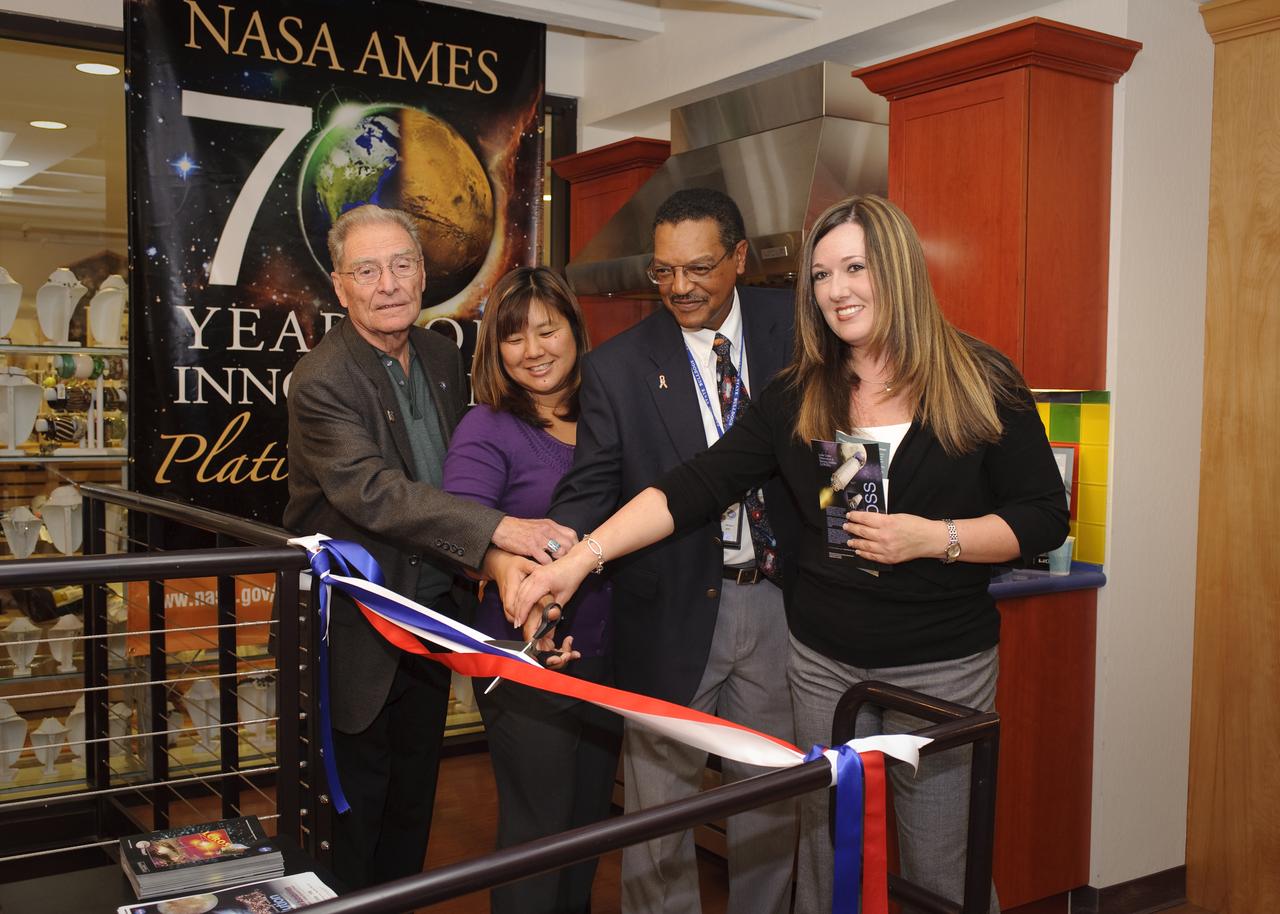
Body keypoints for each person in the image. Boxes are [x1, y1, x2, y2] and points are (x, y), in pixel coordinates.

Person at [512, 194, 1069, 914]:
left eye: (856, 268)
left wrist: (937, 538)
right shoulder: (803, 391)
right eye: (822, 275)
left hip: (941, 668)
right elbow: (692, 487)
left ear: (898, 268)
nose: (837, 291)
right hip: (823, 666)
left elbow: (1042, 516)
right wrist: (575, 560)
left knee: (940, 868)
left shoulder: (981, 380)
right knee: (827, 860)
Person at [283, 204, 576, 891]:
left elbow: (469, 468)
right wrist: (499, 531)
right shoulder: (321, 379)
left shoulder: (445, 356)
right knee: (347, 820)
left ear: (423, 274)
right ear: (340, 285)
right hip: (350, 639)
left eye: (402, 264)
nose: (388, 283)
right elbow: (374, 492)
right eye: (367, 269)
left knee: (413, 807)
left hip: (429, 627)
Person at [545, 188, 801, 914]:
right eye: (663, 272)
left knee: (774, 802)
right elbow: (589, 488)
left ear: (741, 259)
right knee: (658, 822)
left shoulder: (800, 333)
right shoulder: (621, 366)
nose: (681, 288)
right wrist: (552, 554)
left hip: (783, 608)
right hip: (668, 612)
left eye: (699, 268)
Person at [441, 266, 620, 914]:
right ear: (495, 347)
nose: (534, 350)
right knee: (537, 829)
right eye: (514, 337)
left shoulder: (610, 415)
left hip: (609, 654)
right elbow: (459, 528)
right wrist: (501, 564)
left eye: (547, 330)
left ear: (575, 329)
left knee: (588, 825)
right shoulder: (488, 426)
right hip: (525, 659)